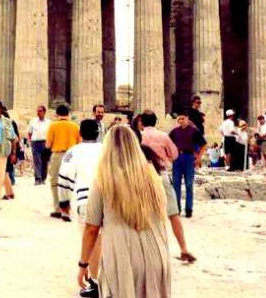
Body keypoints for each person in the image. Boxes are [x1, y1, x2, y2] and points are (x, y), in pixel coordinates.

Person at [77, 125, 170, 298]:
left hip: (122, 257)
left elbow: (91, 228)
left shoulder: (103, 180)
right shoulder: (154, 177)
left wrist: (83, 264)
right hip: (157, 255)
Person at [140, 111, 196, 263]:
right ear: (156, 121)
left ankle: (147, 251)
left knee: (143, 213)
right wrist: (164, 156)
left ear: (141, 122)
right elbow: (175, 155)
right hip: (160, 174)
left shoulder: (138, 136)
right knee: (173, 213)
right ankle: (183, 249)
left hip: (141, 175)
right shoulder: (163, 136)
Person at [58, 119, 103, 296]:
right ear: (98, 133)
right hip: (108, 199)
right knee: (105, 240)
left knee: (91, 240)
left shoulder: (73, 152)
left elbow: (64, 178)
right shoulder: (106, 149)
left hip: (85, 200)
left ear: (80, 133)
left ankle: (96, 282)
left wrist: (63, 202)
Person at [46, 104, 81, 219]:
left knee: (55, 182)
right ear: (68, 114)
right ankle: (67, 208)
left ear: (57, 114)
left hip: (57, 155)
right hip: (71, 156)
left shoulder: (53, 126)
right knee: (69, 183)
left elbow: (48, 144)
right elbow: (79, 143)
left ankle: (58, 209)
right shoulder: (75, 126)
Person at [170, 112, 206, 217]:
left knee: (189, 184)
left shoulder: (193, 131)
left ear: (187, 118)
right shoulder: (174, 132)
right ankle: (177, 209)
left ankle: (189, 209)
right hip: (177, 158)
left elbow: (204, 144)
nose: (181, 121)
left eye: (182, 118)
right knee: (176, 184)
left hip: (189, 158)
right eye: (179, 119)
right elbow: (168, 144)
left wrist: (199, 158)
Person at [28, 105, 51, 185]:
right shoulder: (33, 121)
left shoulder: (49, 122)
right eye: (37, 111)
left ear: (44, 112)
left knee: (45, 161)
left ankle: (43, 178)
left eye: (40, 111)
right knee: (37, 160)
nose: (38, 113)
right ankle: (37, 178)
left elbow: (51, 134)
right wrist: (31, 142)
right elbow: (30, 133)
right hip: (35, 142)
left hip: (45, 142)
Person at [1, 111, 19, 200]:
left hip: (5, 152)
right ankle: (10, 192)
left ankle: (8, 193)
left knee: (3, 172)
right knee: (4, 173)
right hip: (5, 151)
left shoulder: (7, 127)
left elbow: (15, 139)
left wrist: (13, 152)